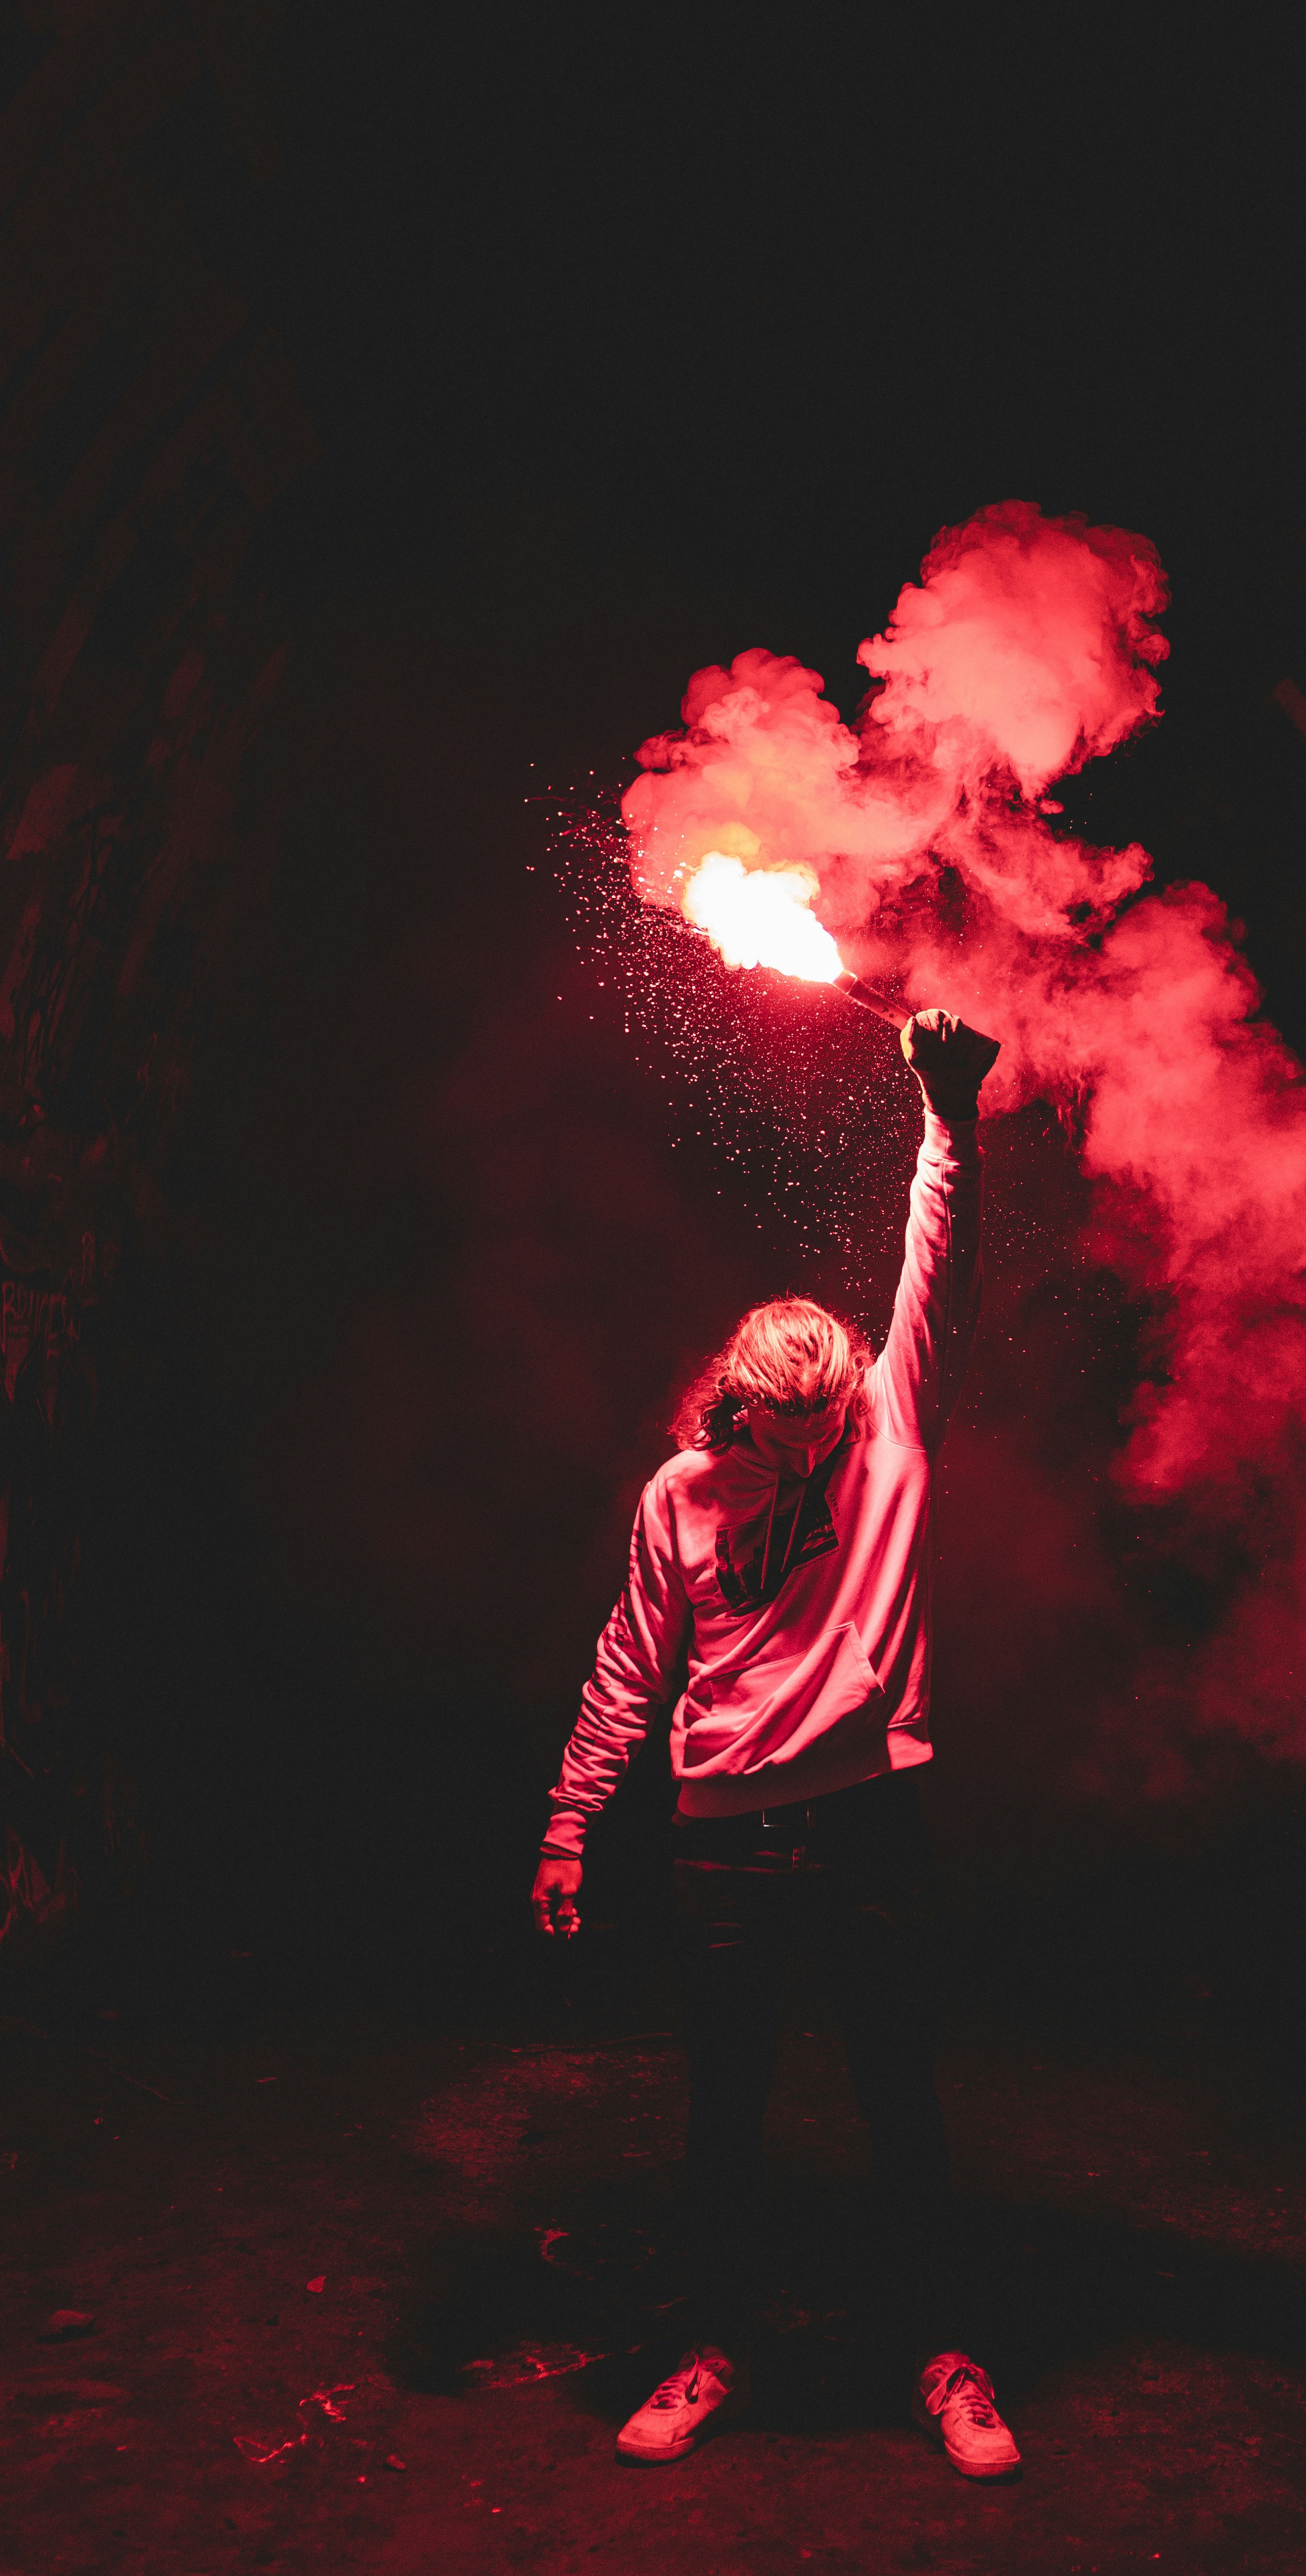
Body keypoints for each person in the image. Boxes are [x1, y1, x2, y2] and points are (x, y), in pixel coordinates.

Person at [530, 1005, 1018, 2480]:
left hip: (866, 1818)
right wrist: (571, 1816)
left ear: (854, 1384)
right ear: (745, 1399)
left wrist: (948, 1116)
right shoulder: (682, 1492)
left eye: (833, 1415)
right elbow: (631, 1658)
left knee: (897, 2094)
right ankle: (711, 2345)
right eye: (788, 1422)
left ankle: (945, 2355)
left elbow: (939, 1267)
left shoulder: (893, 1430)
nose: (818, 1446)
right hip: (720, 1837)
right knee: (723, 2109)